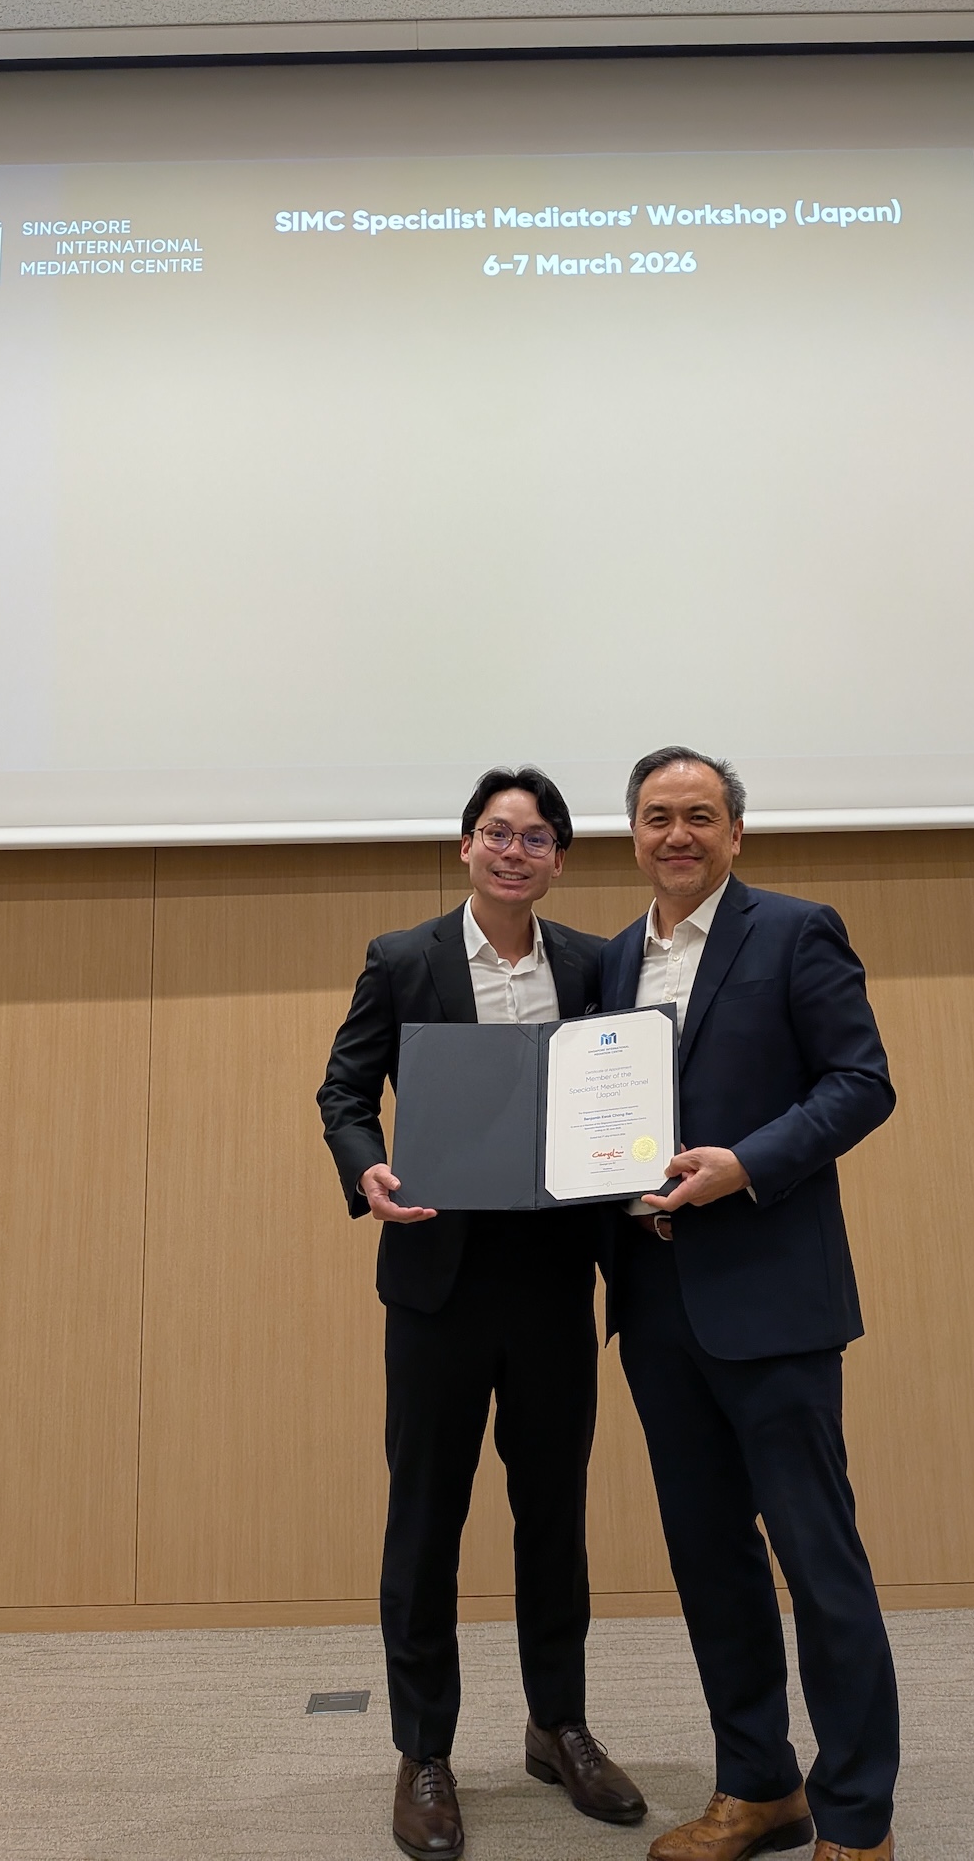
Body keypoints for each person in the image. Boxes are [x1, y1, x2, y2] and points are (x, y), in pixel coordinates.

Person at [318, 766, 646, 1861]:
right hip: (438, 1284)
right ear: (466, 846)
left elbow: (623, 1096)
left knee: (554, 1514)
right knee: (427, 1519)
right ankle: (423, 1751)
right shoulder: (403, 958)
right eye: (498, 833)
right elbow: (344, 1091)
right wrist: (365, 1167)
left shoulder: (595, 965)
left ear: (559, 860)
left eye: (537, 837)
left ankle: (559, 1726)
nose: (516, 851)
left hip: (554, 1278)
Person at [602, 746, 899, 1861]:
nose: (676, 834)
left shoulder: (796, 930)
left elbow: (861, 1082)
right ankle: (759, 1785)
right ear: (634, 834)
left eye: (699, 815)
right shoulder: (614, 959)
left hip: (773, 1299)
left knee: (818, 1559)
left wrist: (747, 1165)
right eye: (656, 816)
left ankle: (857, 1815)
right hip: (654, 1303)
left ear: (735, 832)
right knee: (709, 1558)